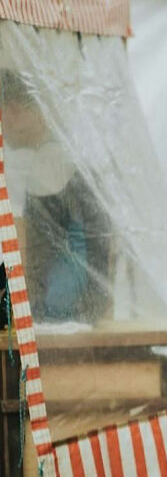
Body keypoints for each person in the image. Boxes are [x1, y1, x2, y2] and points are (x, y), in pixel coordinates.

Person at [1, 70, 111, 324]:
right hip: (80, 302)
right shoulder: (65, 151)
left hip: (64, 306)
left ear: (14, 110)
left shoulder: (50, 160)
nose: (3, 132)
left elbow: (43, 248)